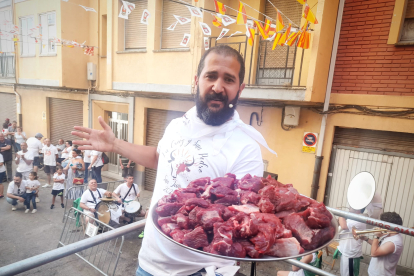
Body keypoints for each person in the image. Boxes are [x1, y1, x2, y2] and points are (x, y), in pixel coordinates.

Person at [72, 45, 276, 276]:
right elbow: (160, 158)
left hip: (201, 270)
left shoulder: (245, 147)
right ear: (197, 80)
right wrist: (115, 145)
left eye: (228, 79)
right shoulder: (179, 125)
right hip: (149, 262)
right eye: (211, 76)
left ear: (240, 89)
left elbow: (241, 217)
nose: (217, 87)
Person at [360, 212, 404, 276]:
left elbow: (374, 253)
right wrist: (366, 239)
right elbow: (379, 246)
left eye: (382, 223)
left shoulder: (394, 242)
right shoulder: (389, 234)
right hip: (375, 272)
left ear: (389, 225)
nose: (380, 225)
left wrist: (377, 236)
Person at [336, 208, 367, 276]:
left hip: (351, 253)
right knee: (343, 273)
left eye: (351, 206)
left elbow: (344, 226)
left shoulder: (360, 219)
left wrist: (340, 213)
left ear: (358, 208)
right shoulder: (352, 217)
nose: (349, 207)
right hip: (345, 250)